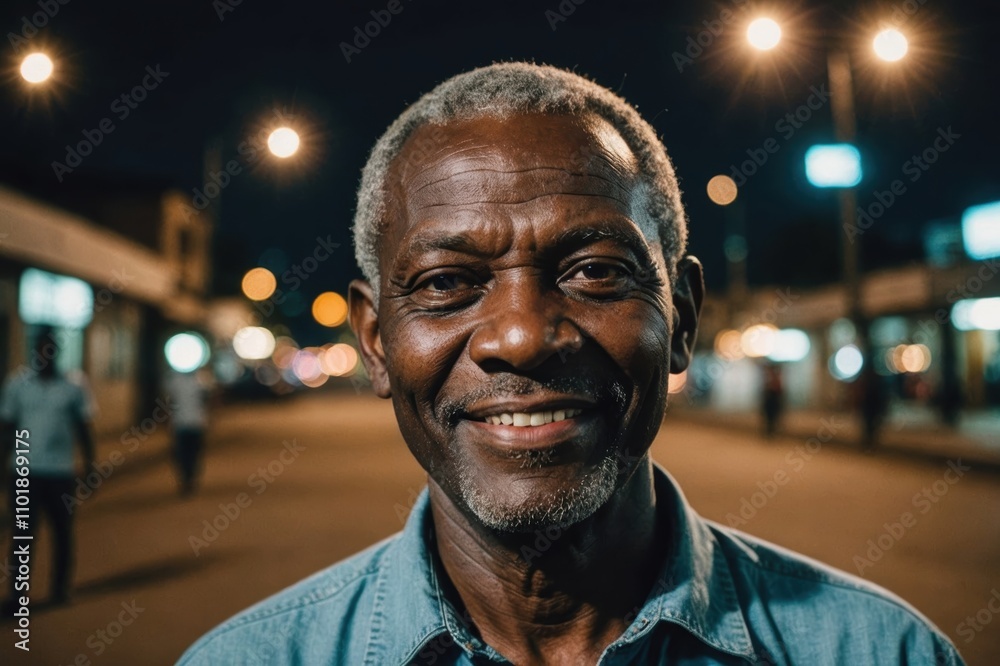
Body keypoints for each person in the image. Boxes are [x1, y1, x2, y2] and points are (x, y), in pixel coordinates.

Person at [180, 63, 964, 665]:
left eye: (594, 271)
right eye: (446, 283)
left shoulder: (882, 650)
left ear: (681, 317)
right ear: (378, 341)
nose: (520, 337)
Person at [1, 328, 94, 608]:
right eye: (40, 350)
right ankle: (17, 596)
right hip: (24, 472)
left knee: (62, 533)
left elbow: (83, 429)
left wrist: (90, 465)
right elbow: (8, 427)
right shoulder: (17, 385)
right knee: (22, 537)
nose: (45, 356)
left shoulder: (73, 387)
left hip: (61, 473)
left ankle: (59, 589)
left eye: (50, 351)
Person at [163, 368, 210, 496]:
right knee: (182, 454)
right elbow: (168, 402)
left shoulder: (202, 379)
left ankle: (190, 479)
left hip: (196, 424)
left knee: (193, 454)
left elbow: (209, 400)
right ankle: (185, 480)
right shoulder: (174, 380)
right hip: (180, 424)